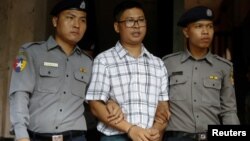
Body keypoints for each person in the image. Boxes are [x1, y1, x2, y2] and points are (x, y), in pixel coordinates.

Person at [85, 1, 170, 141]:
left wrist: (156, 130)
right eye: (130, 21)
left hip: (148, 137)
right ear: (117, 27)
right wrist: (130, 129)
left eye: (141, 20)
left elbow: (163, 108)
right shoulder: (104, 60)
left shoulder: (158, 64)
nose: (137, 26)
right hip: (115, 136)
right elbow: (95, 106)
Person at [8, 0, 92, 141]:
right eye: (70, 17)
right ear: (55, 21)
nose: (77, 25)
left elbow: (96, 99)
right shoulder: (30, 52)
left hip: (76, 137)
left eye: (82, 20)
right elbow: (19, 94)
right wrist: (21, 134)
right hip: (37, 137)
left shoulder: (88, 62)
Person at [162, 6, 240, 141]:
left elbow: (229, 110)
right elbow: (159, 105)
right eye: (199, 26)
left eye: (210, 27)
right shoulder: (168, 64)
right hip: (177, 137)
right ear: (186, 32)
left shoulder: (223, 67)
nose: (206, 32)